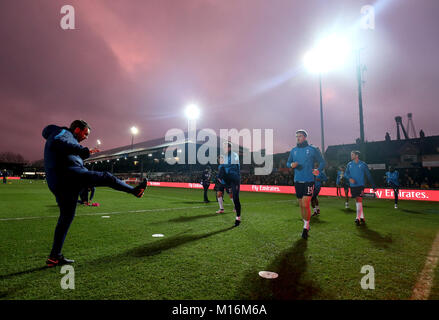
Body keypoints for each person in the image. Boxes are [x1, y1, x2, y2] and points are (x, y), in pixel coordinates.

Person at [42, 120, 148, 267]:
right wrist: (83, 151)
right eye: (85, 133)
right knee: (106, 177)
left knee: (65, 219)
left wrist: (83, 154)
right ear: (77, 129)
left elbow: (67, 152)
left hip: (60, 182)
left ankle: (54, 256)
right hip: (67, 176)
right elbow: (57, 142)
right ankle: (135, 191)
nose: (86, 137)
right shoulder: (63, 132)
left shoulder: (67, 139)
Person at [286, 129, 325, 240]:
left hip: (309, 180)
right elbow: (288, 162)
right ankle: (305, 223)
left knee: (305, 203)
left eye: (300, 136)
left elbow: (322, 161)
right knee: (301, 205)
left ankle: (306, 226)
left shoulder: (312, 149)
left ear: (305, 137)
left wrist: (318, 169)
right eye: (297, 136)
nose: (298, 138)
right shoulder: (293, 150)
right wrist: (291, 165)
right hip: (297, 181)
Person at [344, 151, 376, 226]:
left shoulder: (363, 164)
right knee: (358, 201)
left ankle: (357, 218)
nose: (351, 156)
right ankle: (362, 217)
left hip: (361, 185)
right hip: (353, 185)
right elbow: (346, 174)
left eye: (352, 154)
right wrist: (349, 178)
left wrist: (373, 185)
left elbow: (368, 175)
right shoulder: (349, 164)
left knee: (359, 199)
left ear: (357, 155)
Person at [220, 142, 241, 227]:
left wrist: (222, 165)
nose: (223, 148)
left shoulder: (234, 155)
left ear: (229, 148)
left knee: (236, 198)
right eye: (223, 147)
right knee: (231, 195)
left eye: (225, 147)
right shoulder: (224, 156)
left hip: (235, 179)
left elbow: (231, 164)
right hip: (228, 179)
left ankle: (238, 218)